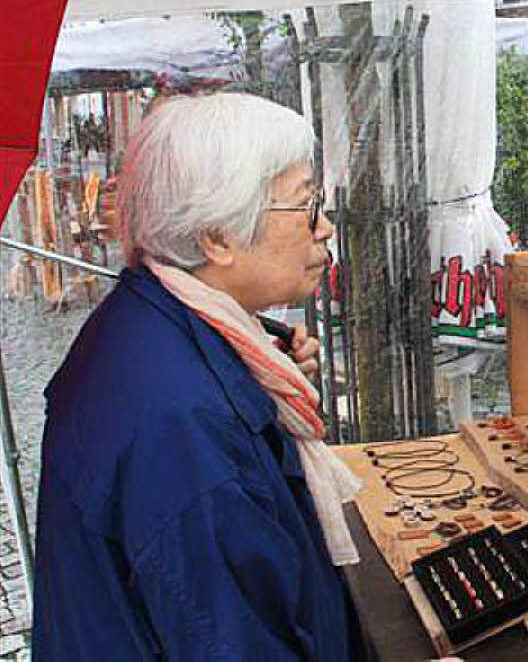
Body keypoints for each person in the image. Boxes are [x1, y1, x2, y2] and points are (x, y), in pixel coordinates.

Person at [32, 93, 368, 659]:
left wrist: (255, 372)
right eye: (306, 206)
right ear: (216, 236)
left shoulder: (155, 324)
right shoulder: (185, 430)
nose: (326, 228)